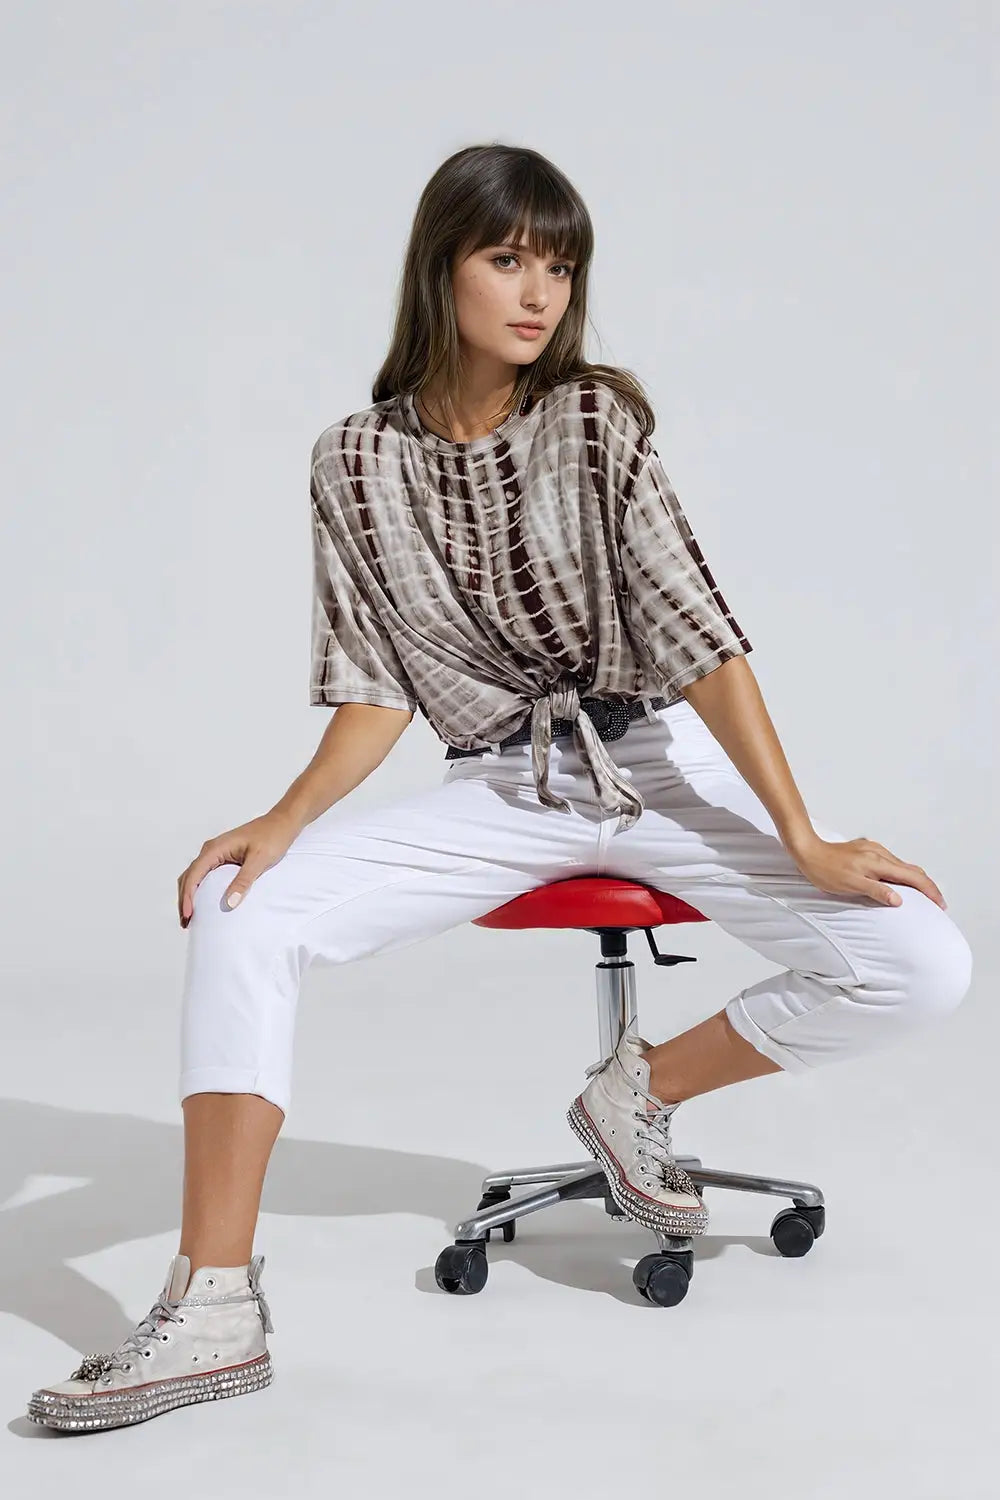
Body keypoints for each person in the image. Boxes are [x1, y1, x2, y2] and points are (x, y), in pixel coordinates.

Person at [28, 143, 972, 1432]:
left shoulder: (594, 423)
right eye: (508, 257)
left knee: (922, 963)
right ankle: (214, 1306)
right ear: (443, 267)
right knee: (248, 912)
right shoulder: (354, 460)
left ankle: (643, 1090)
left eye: (561, 267)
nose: (539, 293)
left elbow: (701, 639)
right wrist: (284, 821)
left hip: (656, 762)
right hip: (508, 786)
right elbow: (376, 689)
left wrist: (800, 836)